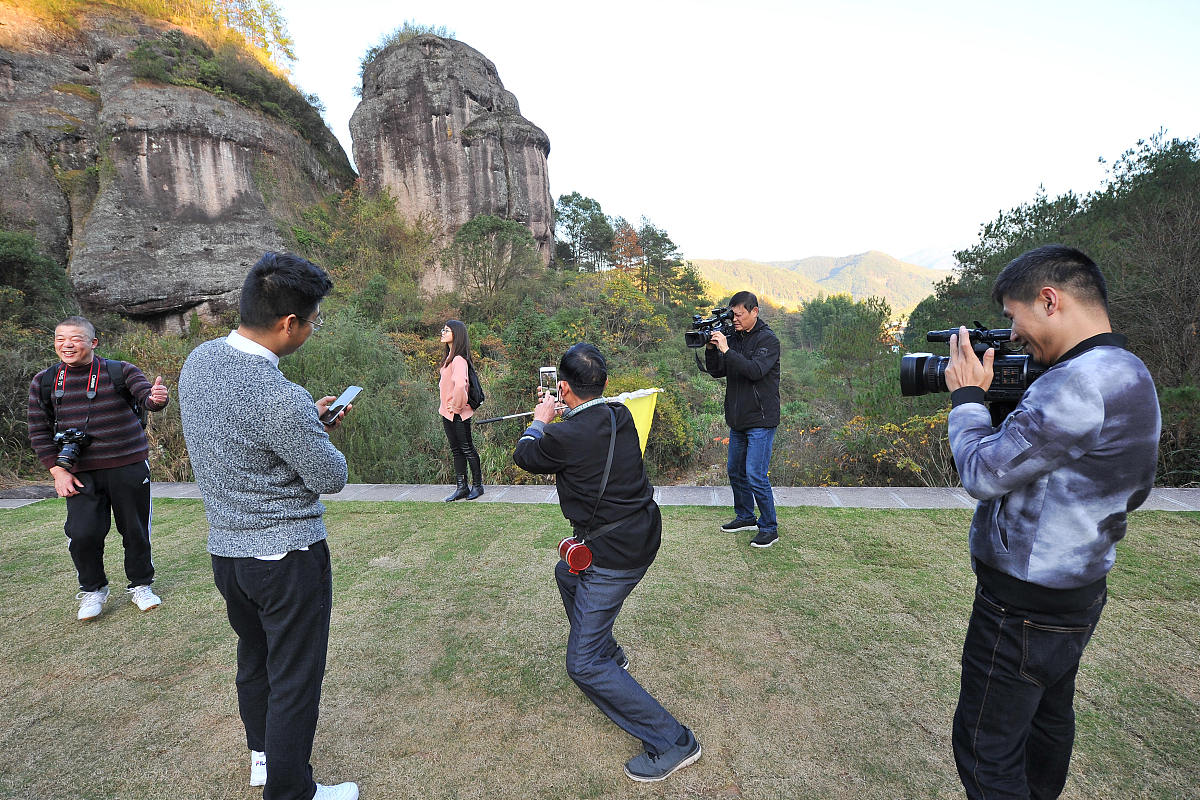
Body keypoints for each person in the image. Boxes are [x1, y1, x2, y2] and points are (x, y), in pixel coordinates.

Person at [943, 245, 1160, 800]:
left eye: (1014, 317)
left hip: (1023, 605)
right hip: (1079, 591)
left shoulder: (1074, 383)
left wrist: (967, 398)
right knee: (1047, 722)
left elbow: (982, 473)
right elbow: (1134, 487)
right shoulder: (1130, 371)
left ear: (1049, 300)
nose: (1013, 335)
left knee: (987, 750)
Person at [178, 252, 358, 800]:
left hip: (228, 553)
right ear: (288, 323)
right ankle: (291, 790)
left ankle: (262, 756)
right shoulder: (280, 397)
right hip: (286, 558)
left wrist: (306, 425)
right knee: (295, 678)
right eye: (312, 322)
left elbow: (236, 439)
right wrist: (313, 431)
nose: (311, 330)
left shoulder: (200, 361)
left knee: (254, 658)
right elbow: (330, 476)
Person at [513, 342, 702, 783]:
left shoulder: (561, 436)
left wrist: (541, 419)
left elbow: (525, 455)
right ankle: (609, 651)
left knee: (581, 664)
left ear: (563, 387)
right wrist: (565, 412)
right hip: (642, 531)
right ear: (603, 384)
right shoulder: (620, 414)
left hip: (614, 552)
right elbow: (589, 426)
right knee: (567, 572)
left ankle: (673, 741)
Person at [27, 315, 170, 620]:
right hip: (78, 471)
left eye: (75, 339)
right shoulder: (45, 380)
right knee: (82, 534)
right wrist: (57, 471)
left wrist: (157, 399)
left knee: (135, 530)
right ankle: (93, 590)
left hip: (128, 463)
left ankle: (141, 585)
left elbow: (147, 398)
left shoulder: (120, 370)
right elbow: (38, 429)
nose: (67, 345)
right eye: (60, 339)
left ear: (93, 342)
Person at [704, 290, 782, 548]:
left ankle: (769, 527)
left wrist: (726, 349)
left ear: (754, 312)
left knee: (755, 474)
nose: (734, 320)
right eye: (733, 315)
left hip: (761, 419)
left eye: (739, 315)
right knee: (735, 471)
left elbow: (754, 371)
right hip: (738, 418)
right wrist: (712, 349)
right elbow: (717, 371)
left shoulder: (768, 340)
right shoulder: (734, 337)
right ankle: (746, 516)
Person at [437, 319, 484, 501]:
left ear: (456, 335)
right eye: (443, 330)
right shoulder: (449, 357)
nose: (443, 333)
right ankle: (461, 487)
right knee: (456, 450)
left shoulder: (458, 359)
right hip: (447, 413)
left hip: (458, 414)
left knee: (467, 449)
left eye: (446, 330)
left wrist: (457, 407)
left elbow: (460, 385)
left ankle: (477, 486)